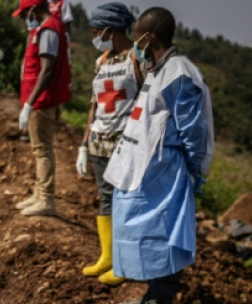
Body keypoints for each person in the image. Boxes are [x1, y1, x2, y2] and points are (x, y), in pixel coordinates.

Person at [103, 7, 214, 304]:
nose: (134, 42)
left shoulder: (179, 72)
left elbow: (192, 128)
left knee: (164, 235)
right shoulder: (158, 69)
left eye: (137, 35)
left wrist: (194, 169)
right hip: (145, 168)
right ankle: (150, 296)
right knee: (143, 232)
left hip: (165, 170)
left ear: (150, 37)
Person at [76, 2, 139, 286]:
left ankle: (126, 263)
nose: (94, 37)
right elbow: (95, 103)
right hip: (100, 142)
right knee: (105, 197)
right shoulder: (102, 61)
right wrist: (84, 142)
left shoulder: (137, 57)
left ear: (111, 30)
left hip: (126, 143)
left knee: (125, 200)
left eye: (96, 32)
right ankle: (108, 257)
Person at [13, 0, 71, 217]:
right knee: (40, 149)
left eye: (25, 14)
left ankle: (46, 199)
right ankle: (39, 195)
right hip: (41, 100)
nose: (24, 19)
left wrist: (30, 103)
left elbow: (47, 70)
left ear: (34, 10)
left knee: (43, 150)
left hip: (42, 102)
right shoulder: (45, 29)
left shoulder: (49, 30)